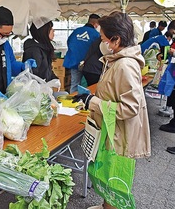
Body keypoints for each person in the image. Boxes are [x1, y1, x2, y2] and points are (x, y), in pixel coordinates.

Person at [73, 11, 151, 209]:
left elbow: (131, 107)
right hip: (112, 129)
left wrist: (94, 103)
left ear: (116, 40)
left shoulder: (125, 65)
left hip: (120, 135)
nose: (102, 42)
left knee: (116, 178)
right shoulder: (116, 60)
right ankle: (106, 205)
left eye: (103, 38)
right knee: (108, 173)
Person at [63, 13, 100, 93]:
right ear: (94, 24)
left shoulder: (76, 31)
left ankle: (72, 103)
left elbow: (69, 42)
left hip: (74, 62)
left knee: (74, 85)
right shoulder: (96, 34)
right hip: (88, 65)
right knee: (90, 87)